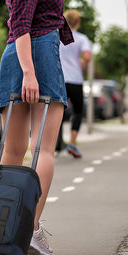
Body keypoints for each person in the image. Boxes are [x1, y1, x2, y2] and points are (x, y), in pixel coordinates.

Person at [0, 0, 73, 255]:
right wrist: (30, 73)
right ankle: (29, 231)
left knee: (14, 149)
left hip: (22, 56)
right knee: (43, 148)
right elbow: (21, 26)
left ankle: (5, 227)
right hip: (33, 55)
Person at [57, 9, 92, 158]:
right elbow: (87, 56)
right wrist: (82, 64)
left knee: (57, 111)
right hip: (76, 80)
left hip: (59, 79)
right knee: (78, 111)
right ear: (77, 23)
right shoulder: (82, 38)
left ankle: (55, 143)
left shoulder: (57, 36)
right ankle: (72, 142)